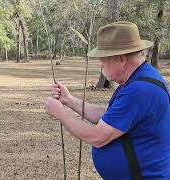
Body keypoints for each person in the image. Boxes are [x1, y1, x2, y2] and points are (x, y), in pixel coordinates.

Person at [45, 21, 170, 179]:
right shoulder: (136, 79)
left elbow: (98, 137)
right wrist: (69, 100)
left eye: (103, 60)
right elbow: (106, 113)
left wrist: (61, 114)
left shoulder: (140, 90)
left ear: (121, 59)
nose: (101, 65)